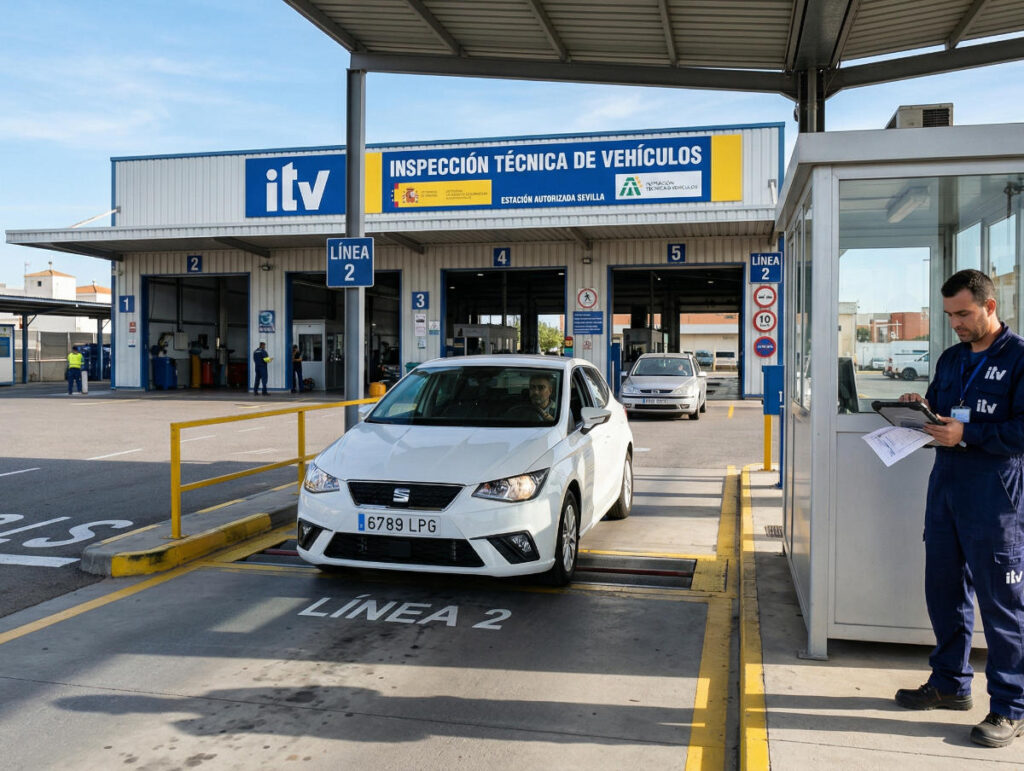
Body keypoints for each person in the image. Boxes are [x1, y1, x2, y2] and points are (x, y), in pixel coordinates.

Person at [894, 269, 1024, 748]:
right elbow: (945, 409)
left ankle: (1011, 707)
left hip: (995, 499)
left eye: (964, 314)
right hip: (946, 489)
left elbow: (1021, 431)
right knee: (944, 592)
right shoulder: (951, 359)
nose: (957, 324)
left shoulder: (1020, 359)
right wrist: (920, 408)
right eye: (950, 316)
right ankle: (949, 683)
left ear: (990, 306)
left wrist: (968, 434)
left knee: (1004, 607)